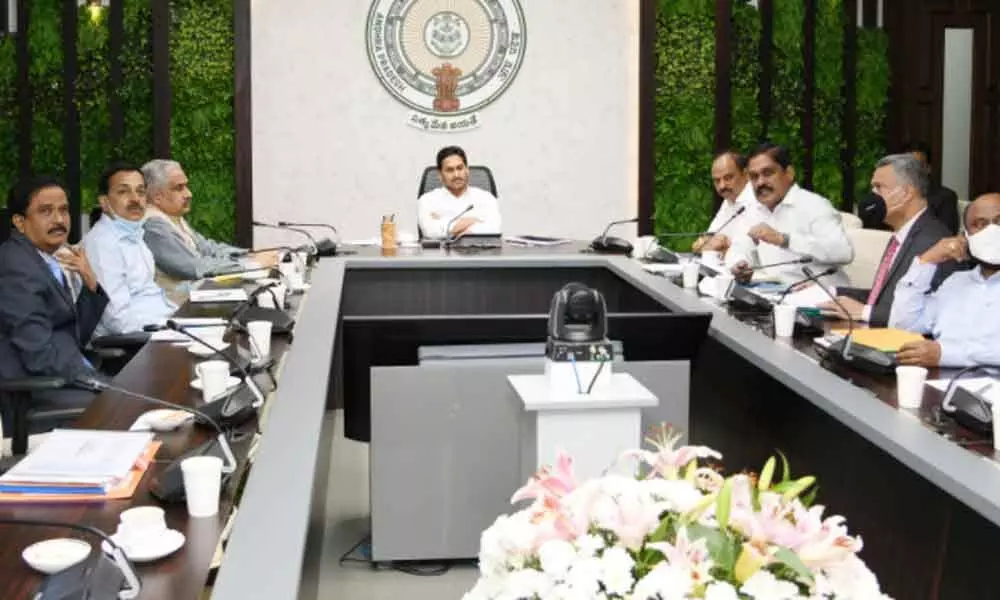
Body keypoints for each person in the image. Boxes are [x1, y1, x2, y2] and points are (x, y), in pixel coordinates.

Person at [0, 176, 109, 432]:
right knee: (134, 408)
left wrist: (90, 284)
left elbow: (75, 332)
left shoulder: (44, 259)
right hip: (38, 392)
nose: (59, 220)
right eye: (46, 212)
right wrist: (97, 381)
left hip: (66, 376)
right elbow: (39, 355)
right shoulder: (16, 268)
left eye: (63, 210)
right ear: (20, 222)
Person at [819, 154, 957, 326]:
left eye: (879, 187)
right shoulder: (902, 234)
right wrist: (827, 291)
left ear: (906, 193)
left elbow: (931, 314)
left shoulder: (934, 240)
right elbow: (882, 296)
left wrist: (865, 312)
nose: (873, 195)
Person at [890, 193, 1000, 367]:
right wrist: (926, 261)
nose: (992, 231)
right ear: (966, 236)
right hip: (942, 385)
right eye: (980, 224)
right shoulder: (956, 282)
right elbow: (903, 325)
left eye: (999, 221)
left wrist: (945, 354)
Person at [141, 159, 278, 300]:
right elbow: (196, 267)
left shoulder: (172, 216)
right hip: (175, 309)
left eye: (186, 186)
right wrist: (251, 265)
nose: (189, 194)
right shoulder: (153, 225)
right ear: (157, 197)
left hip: (194, 297)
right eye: (179, 188)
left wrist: (249, 255)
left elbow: (209, 249)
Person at [726, 143, 854, 285]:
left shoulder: (815, 205)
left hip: (821, 295)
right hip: (775, 293)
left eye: (768, 173)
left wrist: (785, 240)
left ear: (789, 173)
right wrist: (739, 264)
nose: (760, 182)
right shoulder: (753, 209)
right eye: (754, 177)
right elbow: (739, 247)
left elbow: (843, 252)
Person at [83, 162, 176, 335]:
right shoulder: (103, 244)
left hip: (164, 324)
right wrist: (168, 326)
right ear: (104, 202)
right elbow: (118, 321)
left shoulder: (134, 234)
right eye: (123, 191)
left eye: (140, 192)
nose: (135, 199)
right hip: (137, 343)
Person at [858, 141, 960, 234]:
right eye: (907, 168)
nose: (912, 172)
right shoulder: (885, 193)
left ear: (928, 169)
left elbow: (946, 235)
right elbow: (870, 230)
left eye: (917, 166)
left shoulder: (945, 197)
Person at [417, 146, 501, 240]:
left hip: (479, 252)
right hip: (441, 253)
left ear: (467, 170)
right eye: (450, 170)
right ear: (440, 175)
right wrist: (473, 221)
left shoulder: (486, 198)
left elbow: (495, 228)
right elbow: (430, 232)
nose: (456, 175)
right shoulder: (427, 200)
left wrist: (446, 224)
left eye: (460, 168)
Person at [691, 150, 760, 254]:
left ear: (746, 175)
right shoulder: (728, 200)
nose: (722, 186)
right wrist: (713, 244)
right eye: (717, 180)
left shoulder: (759, 200)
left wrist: (725, 247)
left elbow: (749, 250)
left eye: (728, 178)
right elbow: (699, 245)